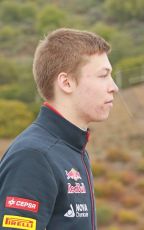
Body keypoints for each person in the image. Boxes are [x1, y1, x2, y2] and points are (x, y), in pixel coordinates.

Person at [0, 28, 118, 229]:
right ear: (66, 82)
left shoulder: (71, 149)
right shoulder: (34, 155)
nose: (113, 86)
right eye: (103, 75)